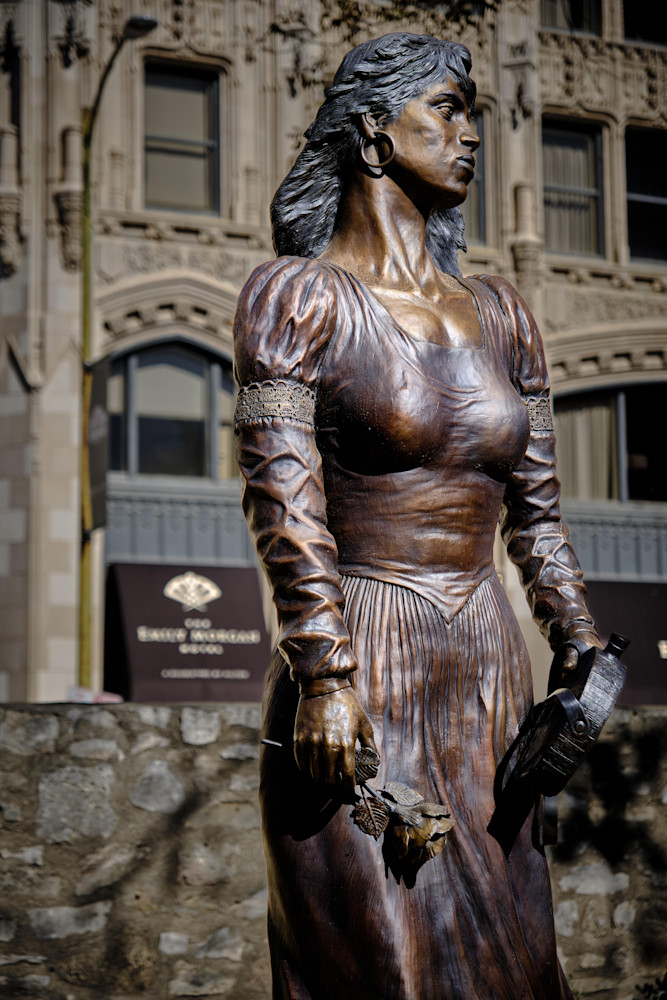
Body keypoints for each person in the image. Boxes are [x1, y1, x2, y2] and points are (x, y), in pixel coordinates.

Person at [233, 32, 600, 1000]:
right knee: (376, 962)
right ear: (371, 135)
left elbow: (539, 510)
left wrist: (576, 635)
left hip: (483, 663)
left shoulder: (505, 314)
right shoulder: (297, 297)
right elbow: (284, 499)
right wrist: (323, 672)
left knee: (512, 965)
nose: (470, 133)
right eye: (445, 107)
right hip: (363, 655)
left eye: (469, 110)